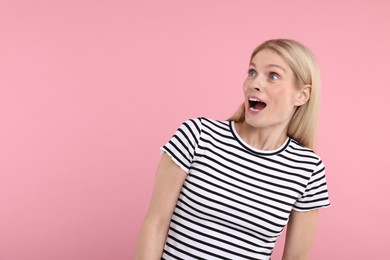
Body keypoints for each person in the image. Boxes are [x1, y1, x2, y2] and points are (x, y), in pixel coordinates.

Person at [135, 39, 330, 260]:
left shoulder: (308, 170)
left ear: (302, 95)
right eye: (252, 72)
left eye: (273, 76)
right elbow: (156, 224)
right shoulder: (198, 135)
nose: (255, 83)